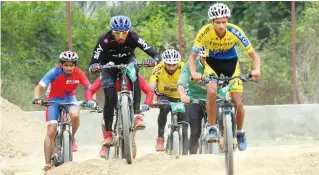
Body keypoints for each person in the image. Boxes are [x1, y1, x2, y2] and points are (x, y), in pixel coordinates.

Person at [188, 3, 261, 151]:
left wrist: (256, 69)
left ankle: (240, 133)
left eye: (224, 22)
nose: (221, 26)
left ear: (227, 20)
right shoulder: (204, 32)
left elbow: (254, 55)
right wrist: (194, 73)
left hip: (231, 66)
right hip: (212, 65)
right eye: (218, 23)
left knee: (237, 102)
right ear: (212, 22)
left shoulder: (235, 31)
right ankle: (212, 127)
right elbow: (193, 56)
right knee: (212, 92)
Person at [87, 15, 161, 146]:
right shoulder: (104, 40)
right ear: (112, 32)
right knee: (110, 98)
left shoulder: (133, 36)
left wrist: (154, 60)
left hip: (128, 62)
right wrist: (94, 66)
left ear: (128, 31)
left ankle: (137, 114)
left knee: (134, 72)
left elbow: (154, 53)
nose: (121, 37)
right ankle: (108, 134)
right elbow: (93, 62)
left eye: (124, 33)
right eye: (117, 33)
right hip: (109, 66)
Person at [33, 51, 91, 172]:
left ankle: (71, 138)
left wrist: (92, 101)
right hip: (53, 100)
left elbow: (89, 88)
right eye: (66, 65)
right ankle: (47, 163)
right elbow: (39, 87)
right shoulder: (54, 72)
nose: (69, 68)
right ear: (61, 65)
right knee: (51, 130)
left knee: (75, 115)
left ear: (75, 65)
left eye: (71, 65)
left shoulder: (78, 72)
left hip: (70, 99)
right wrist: (37, 98)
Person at [85, 74, 154, 158]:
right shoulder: (107, 74)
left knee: (131, 138)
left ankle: (131, 156)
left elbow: (149, 91)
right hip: (113, 105)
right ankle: (106, 142)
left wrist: (146, 104)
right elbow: (90, 90)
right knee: (105, 119)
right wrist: (90, 101)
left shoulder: (133, 74)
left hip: (129, 108)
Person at [149, 49, 187, 153]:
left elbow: (192, 82)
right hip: (164, 94)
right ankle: (160, 138)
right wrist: (150, 100)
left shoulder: (184, 67)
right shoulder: (158, 68)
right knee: (164, 108)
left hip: (180, 95)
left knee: (184, 118)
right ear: (164, 62)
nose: (171, 67)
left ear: (178, 63)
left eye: (174, 65)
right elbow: (151, 86)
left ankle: (185, 144)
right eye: (168, 64)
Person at [177, 47, 207, 154]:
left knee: (220, 124)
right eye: (204, 58)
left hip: (213, 99)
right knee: (195, 131)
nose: (207, 61)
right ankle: (193, 157)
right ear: (200, 57)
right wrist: (183, 95)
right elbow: (181, 82)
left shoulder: (218, 64)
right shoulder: (191, 64)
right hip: (195, 99)